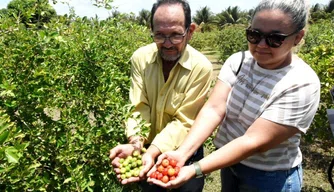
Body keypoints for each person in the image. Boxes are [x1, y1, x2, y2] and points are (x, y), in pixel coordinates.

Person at [148, 0, 321, 191]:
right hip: (230, 166)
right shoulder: (239, 61)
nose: (261, 45)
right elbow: (214, 109)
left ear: (298, 37)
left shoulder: (301, 84)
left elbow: (253, 142)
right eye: (254, 35)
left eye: (275, 38)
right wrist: (181, 154)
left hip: (270, 178)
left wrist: (194, 169)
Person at [109, 0, 213, 191]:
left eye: (175, 35)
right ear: (152, 30)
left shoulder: (201, 68)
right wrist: (136, 144)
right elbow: (138, 107)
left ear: (190, 31)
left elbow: (184, 120)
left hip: (185, 152)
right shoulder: (140, 58)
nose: (167, 44)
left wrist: (152, 151)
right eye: (159, 35)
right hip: (146, 150)